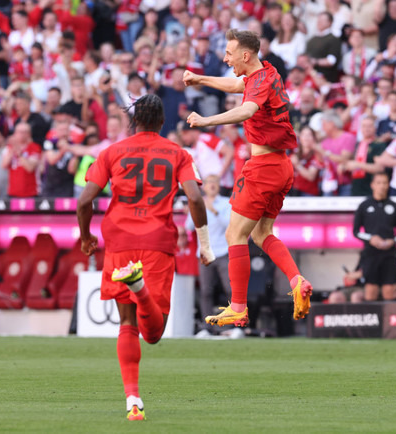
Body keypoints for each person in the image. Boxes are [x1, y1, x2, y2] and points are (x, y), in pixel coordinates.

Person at [76, 94, 215, 421]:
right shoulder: (178, 153)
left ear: (133, 120)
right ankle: (139, 288)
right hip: (156, 243)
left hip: (120, 241)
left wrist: (86, 238)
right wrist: (204, 242)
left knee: (127, 324)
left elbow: (84, 202)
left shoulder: (109, 152)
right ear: (162, 122)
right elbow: (194, 196)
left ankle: (133, 400)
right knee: (152, 333)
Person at [183, 29, 313, 327]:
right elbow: (237, 85)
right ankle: (296, 281)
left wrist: (206, 121)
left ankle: (238, 307)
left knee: (234, 236)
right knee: (261, 234)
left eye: (229, 54)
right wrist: (201, 79)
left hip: (263, 168)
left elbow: (247, 109)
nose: (226, 59)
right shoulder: (268, 72)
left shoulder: (259, 82)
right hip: (282, 167)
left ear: (245, 54)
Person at [184, 175, 232, 324]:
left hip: (224, 252)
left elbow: (229, 225)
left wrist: (213, 210)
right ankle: (207, 327)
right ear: (203, 187)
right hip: (205, 253)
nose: (211, 185)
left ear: (219, 186)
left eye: (215, 182)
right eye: (209, 182)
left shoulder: (226, 203)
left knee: (231, 290)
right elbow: (188, 226)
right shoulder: (198, 202)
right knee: (206, 291)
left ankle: (234, 325)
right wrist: (195, 209)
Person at [352, 172, 396, 301]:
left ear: (388, 185)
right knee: (371, 291)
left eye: (385, 183)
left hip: (389, 255)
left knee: (389, 291)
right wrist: (371, 238)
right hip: (371, 254)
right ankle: (372, 320)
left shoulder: (394, 206)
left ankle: (388, 319)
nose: (382, 186)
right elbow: (356, 231)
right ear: (372, 185)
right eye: (379, 183)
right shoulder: (364, 205)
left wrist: (393, 241)